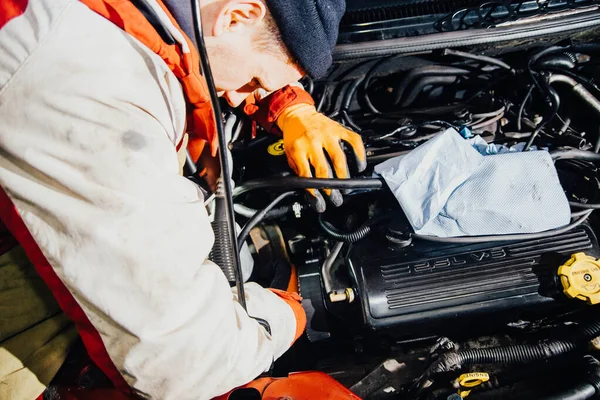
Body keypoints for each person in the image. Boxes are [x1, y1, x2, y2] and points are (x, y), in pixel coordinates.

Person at [0, 0, 366, 399]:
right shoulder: (93, 88)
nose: (241, 95)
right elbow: (182, 363)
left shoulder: (150, 18)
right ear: (237, 16)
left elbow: (199, 52)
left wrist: (287, 106)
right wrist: (289, 311)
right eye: (256, 81)